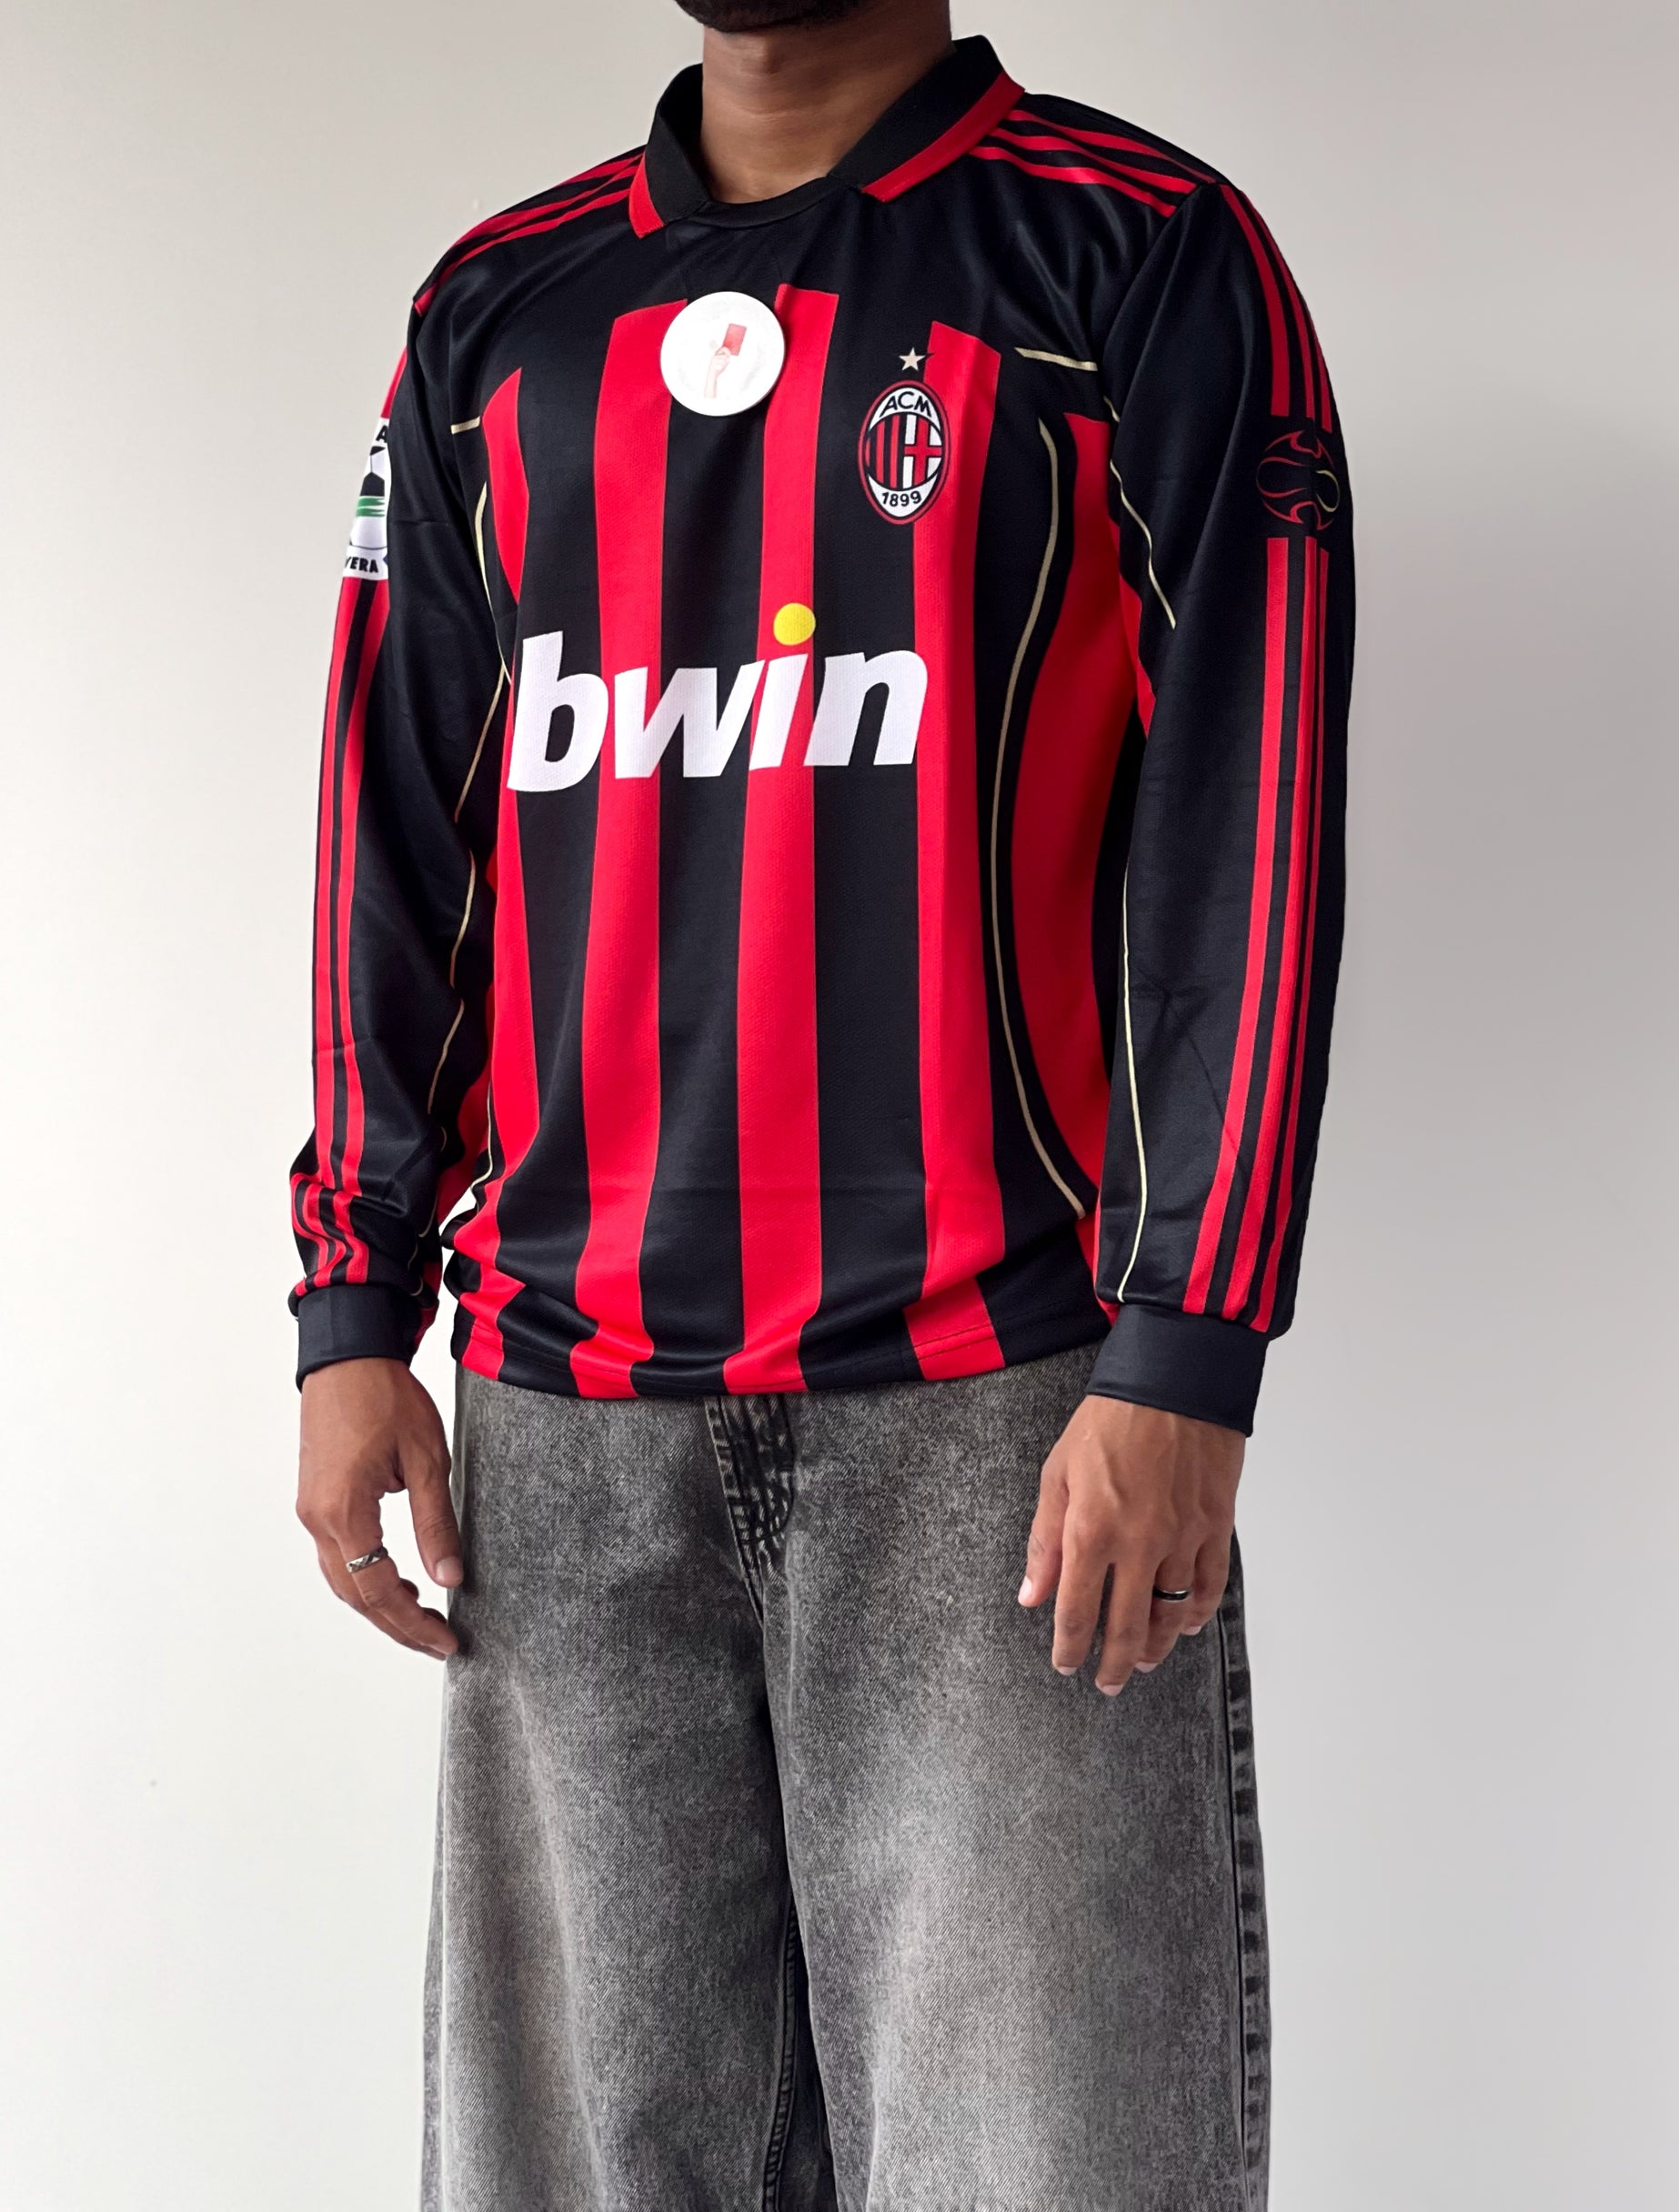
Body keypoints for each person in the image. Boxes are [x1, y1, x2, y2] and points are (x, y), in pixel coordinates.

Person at [290, 0, 1352, 2202]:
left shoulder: (1134, 253)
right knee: (582, 2171)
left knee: (1047, 2165)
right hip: (566, 1425)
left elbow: (1246, 818)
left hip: (1009, 1417)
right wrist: (352, 1301)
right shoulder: (497, 312)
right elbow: (397, 825)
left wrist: (1188, 1349)